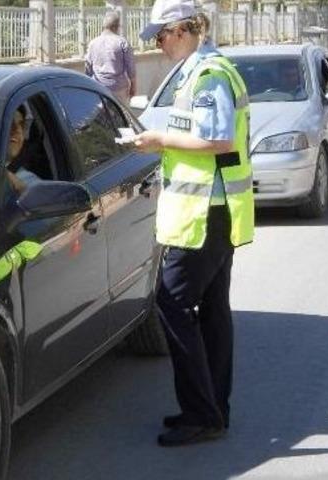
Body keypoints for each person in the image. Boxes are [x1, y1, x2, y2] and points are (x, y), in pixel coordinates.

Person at [133, 0, 254, 448]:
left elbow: (219, 139)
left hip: (206, 215)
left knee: (172, 305)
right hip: (212, 213)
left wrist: (160, 141)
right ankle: (210, 410)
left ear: (183, 29)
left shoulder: (210, 74)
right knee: (213, 313)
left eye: (162, 35)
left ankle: (202, 413)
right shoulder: (197, 71)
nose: (159, 43)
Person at [84, 11, 137, 105]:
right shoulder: (122, 42)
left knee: (101, 117)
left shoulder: (93, 43)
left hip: (99, 87)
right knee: (120, 116)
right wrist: (133, 86)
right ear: (116, 26)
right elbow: (130, 67)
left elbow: (88, 67)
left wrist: (88, 85)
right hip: (119, 88)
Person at [6, 107, 40, 195]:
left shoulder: (28, 181)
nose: (18, 131)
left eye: (22, 125)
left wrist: (24, 193)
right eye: (9, 124)